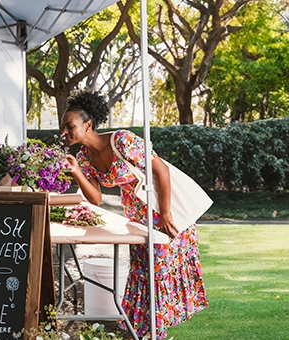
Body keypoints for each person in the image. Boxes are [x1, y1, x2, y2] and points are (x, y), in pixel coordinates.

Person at [60, 91, 208, 338]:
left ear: (88, 124)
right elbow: (96, 198)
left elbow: (160, 170)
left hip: (161, 212)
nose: (64, 132)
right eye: (63, 127)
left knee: (158, 274)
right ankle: (137, 332)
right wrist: (76, 171)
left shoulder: (122, 141)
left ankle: (152, 333)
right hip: (137, 218)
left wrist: (167, 214)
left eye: (69, 126)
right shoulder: (83, 158)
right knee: (141, 273)